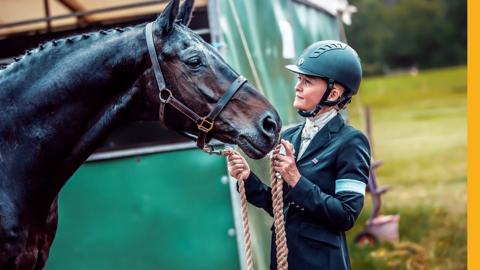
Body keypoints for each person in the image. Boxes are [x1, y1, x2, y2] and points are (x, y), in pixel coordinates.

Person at [226, 40, 371, 270]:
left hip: (321, 263)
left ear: (333, 93)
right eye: (299, 79)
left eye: (307, 81)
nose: (298, 86)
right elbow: (280, 207)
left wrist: (296, 179)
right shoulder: (290, 136)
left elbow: (346, 215)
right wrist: (246, 178)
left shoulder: (351, 141)